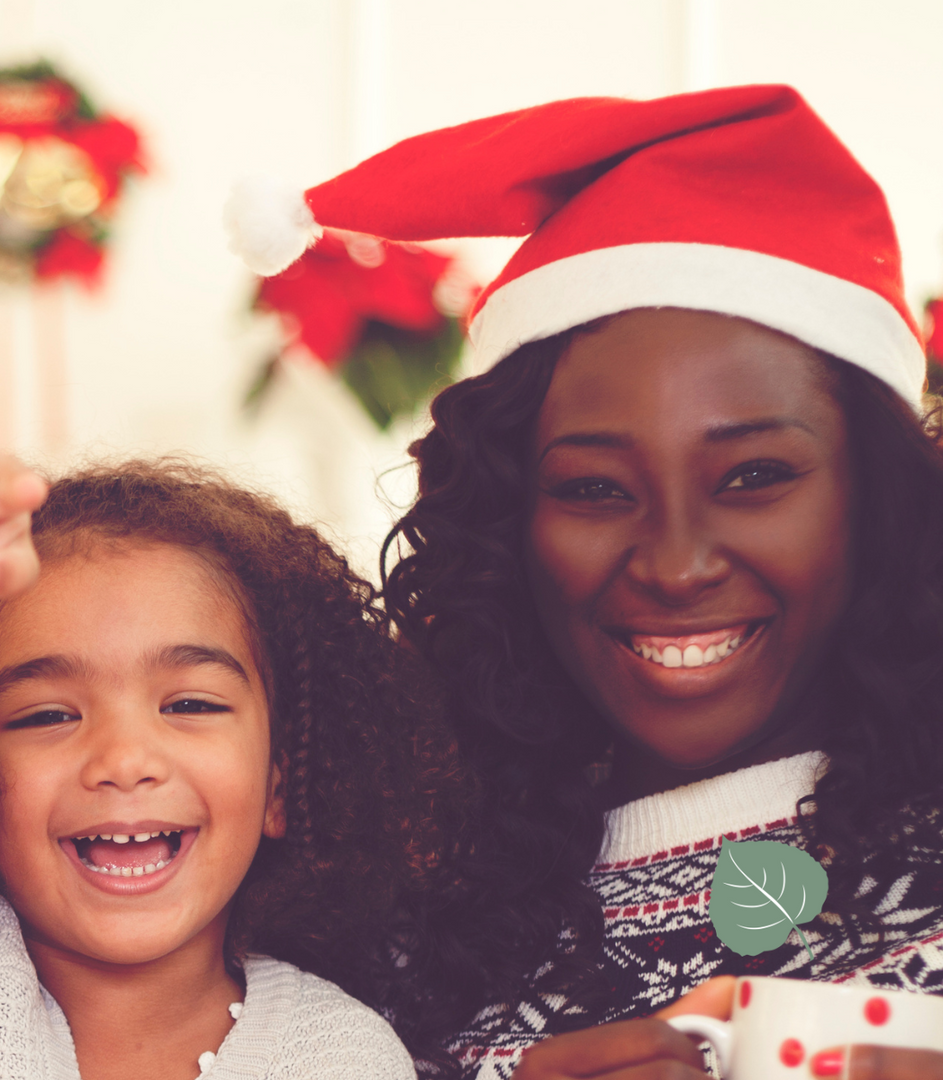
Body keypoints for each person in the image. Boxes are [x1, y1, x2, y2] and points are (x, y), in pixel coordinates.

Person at [228, 86, 943, 1078]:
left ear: (880, 500)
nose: (677, 563)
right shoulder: (367, 913)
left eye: (754, 477)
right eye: (596, 488)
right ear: (506, 524)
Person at [0, 447, 463, 1079]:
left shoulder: (342, 1053)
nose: (124, 760)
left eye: (190, 705)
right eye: (47, 715)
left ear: (280, 785)